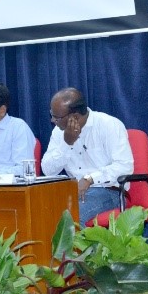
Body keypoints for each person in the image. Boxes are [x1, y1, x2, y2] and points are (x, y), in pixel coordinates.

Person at [41, 87, 133, 226]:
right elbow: (47, 170)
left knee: (70, 217)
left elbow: (124, 167)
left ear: (75, 117)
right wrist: (67, 144)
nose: (53, 120)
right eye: (51, 115)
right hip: (73, 192)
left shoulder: (109, 125)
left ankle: (82, 248)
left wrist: (90, 178)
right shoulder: (59, 133)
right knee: (39, 210)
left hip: (109, 191)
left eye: (57, 117)